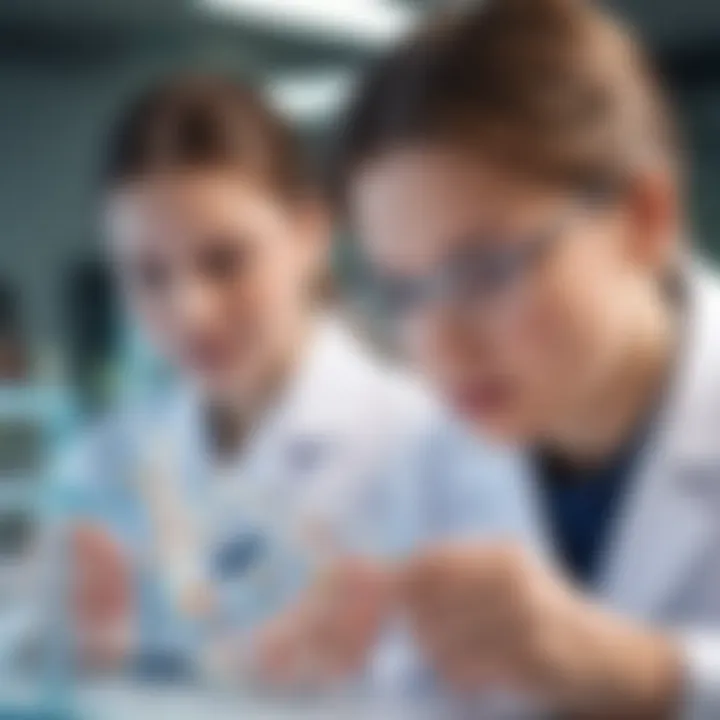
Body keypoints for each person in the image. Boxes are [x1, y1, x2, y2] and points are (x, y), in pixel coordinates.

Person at [256, 0, 720, 717]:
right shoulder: (430, 458)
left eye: (486, 269)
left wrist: (656, 675)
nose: (439, 346)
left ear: (644, 217)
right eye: (403, 291)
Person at [49, 76, 532, 681]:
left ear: (309, 233)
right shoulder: (101, 464)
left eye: (226, 261)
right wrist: (55, 648)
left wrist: (366, 679)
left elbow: (515, 690)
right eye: (148, 276)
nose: (190, 311)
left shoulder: (436, 443)